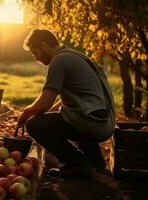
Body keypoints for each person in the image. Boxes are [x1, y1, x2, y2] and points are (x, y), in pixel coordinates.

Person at [17, 29, 116, 179]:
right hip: (104, 121)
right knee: (69, 114)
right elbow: (67, 100)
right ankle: (96, 162)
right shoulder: (75, 56)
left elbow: (44, 104)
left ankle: (77, 165)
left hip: (92, 123)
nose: (36, 58)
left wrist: (26, 113)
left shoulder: (59, 60)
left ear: (44, 46)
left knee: (34, 125)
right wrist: (48, 114)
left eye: (35, 52)